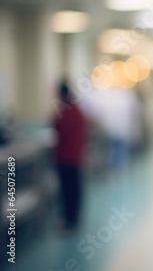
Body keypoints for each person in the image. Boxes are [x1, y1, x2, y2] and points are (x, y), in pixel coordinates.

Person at [52, 80, 87, 231]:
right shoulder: (78, 110)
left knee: (67, 190)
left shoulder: (65, 112)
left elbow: (60, 130)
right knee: (75, 189)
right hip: (76, 156)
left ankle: (69, 219)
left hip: (66, 157)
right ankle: (74, 217)